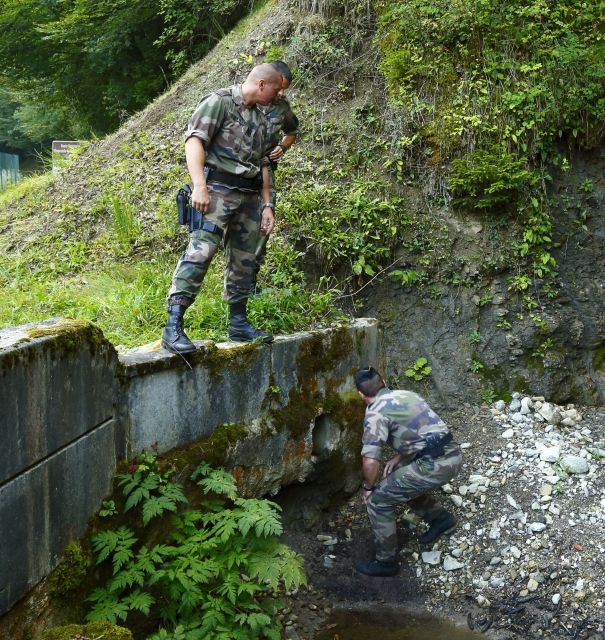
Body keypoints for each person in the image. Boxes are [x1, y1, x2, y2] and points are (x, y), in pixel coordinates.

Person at [162, 64, 283, 355]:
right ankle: (173, 326)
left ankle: (238, 324)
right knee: (200, 252)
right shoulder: (219, 102)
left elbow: (264, 163)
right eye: (277, 90)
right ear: (263, 84)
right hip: (216, 193)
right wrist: (199, 186)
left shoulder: (261, 116)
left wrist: (267, 205)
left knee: (243, 261)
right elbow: (194, 142)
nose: (279, 96)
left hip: (249, 197)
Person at [354, 366, 462, 577]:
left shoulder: (375, 412)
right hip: (453, 454)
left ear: (360, 394)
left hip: (434, 465)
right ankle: (441, 520)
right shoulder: (406, 395)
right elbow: (424, 431)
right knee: (397, 480)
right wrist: (400, 456)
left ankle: (386, 562)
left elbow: (370, 460)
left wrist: (368, 488)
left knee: (379, 500)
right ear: (383, 381)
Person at [251, 60, 300, 295]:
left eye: (284, 90)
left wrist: (283, 147)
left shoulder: (282, 107)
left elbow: (293, 131)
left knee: (264, 224)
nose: (280, 94)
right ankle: (234, 282)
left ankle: (249, 282)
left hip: (265, 175)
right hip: (237, 172)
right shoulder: (245, 101)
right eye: (278, 87)